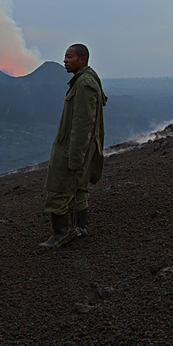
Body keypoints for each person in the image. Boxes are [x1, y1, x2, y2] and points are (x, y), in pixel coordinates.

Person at [39, 43, 107, 248]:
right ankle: (79, 228)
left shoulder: (85, 83)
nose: (65, 61)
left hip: (72, 147)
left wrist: (75, 155)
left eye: (69, 57)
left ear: (82, 59)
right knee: (79, 186)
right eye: (65, 57)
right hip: (81, 147)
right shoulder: (86, 79)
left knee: (59, 187)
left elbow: (83, 123)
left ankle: (59, 234)